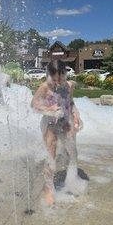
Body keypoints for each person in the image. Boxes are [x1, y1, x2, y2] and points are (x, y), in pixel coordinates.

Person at [31, 60, 84, 206]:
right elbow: (34, 105)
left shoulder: (69, 85)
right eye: (55, 79)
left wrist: (76, 114)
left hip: (65, 122)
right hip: (50, 124)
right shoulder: (44, 87)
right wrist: (49, 109)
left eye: (61, 78)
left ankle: (72, 181)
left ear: (65, 73)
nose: (58, 82)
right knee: (52, 158)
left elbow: (70, 102)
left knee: (73, 154)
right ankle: (48, 189)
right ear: (49, 76)